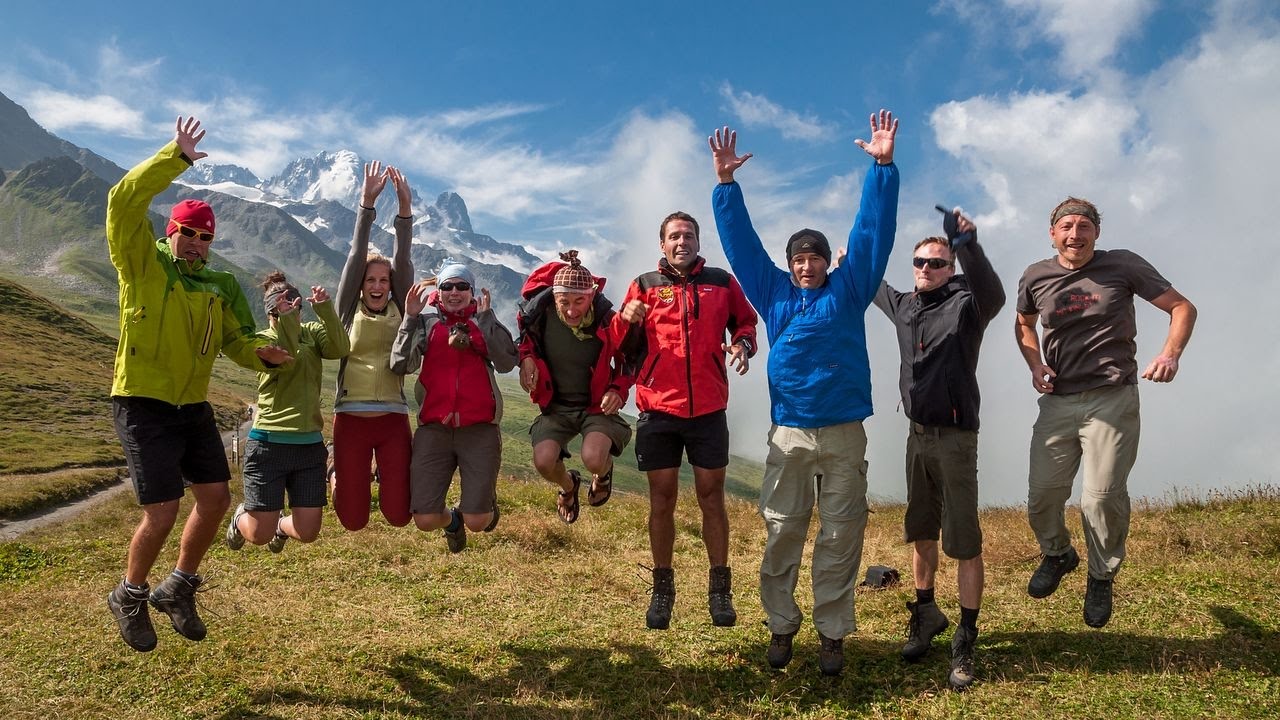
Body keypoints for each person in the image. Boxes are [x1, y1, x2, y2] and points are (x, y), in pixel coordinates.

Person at [709, 110, 900, 676]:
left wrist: (882, 169)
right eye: (799, 257)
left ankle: (833, 633)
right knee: (782, 529)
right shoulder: (772, 294)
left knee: (841, 535)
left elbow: (872, 234)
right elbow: (741, 246)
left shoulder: (851, 288)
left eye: (815, 256)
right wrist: (725, 186)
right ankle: (781, 625)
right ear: (789, 264)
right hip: (789, 430)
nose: (807, 264)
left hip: (843, 431)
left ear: (827, 260)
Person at [105, 117, 291, 652]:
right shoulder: (141, 263)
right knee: (161, 511)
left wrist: (261, 352)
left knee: (214, 499)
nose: (196, 243)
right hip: (141, 401)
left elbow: (235, 338)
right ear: (172, 231)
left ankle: (179, 586)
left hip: (192, 405)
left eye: (206, 236)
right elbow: (123, 200)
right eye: (189, 232)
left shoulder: (220, 281)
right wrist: (176, 156)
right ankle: (129, 594)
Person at [1015, 197, 1196, 628]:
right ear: (1052, 232)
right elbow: (1023, 323)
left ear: (1097, 232)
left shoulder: (1123, 265)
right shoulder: (1035, 276)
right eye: (1066, 226)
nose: (1075, 234)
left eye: (1084, 227)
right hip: (1058, 400)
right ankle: (1058, 554)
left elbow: (1182, 307)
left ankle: (1101, 576)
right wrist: (1035, 363)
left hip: (1111, 397)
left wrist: (1170, 354)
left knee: (1099, 498)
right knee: (1042, 496)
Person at [872, 209, 1004, 691]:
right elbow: (873, 286)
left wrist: (966, 241)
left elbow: (994, 292)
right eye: (920, 263)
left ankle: (966, 637)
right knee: (921, 529)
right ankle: (926, 613)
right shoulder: (906, 305)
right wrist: (849, 259)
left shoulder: (970, 303)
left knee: (963, 540)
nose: (926, 270)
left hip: (955, 438)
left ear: (951, 268)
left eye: (936, 263)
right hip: (917, 436)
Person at [619, 211, 758, 630]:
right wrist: (624, 320)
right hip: (658, 409)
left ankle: (720, 590)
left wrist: (743, 345)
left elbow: (746, 322)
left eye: (689, 235)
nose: (683, 242)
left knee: (711, 497)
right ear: (662, 244)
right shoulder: (644, 286)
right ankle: (663, 590)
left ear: (698, 241)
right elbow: (623, 346)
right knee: (661, 500)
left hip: (709, 409)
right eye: (675, 236)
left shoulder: (721, 281)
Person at [391, 262, 517, 552]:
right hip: (434, 429)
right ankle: (452, 521)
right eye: (447, 286)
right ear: (439, 291)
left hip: (480, 429)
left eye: (462, 286)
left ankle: (482, 506)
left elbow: (507, 362)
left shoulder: (484, 320)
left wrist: (485, 319)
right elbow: (400, 364)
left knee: (479, 521)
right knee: (424, 518)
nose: (454, 292)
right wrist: (410, 318)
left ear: (471, 292)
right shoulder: (427, 324)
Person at [226, 272, 350, 554]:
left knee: (308, 532)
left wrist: (325, 310)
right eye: (282, 307)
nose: (291, 310)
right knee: (258, 535)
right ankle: (240, 518)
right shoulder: (262, 342)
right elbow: (287, 357)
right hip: (269, 443)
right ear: (271, 312)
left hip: (308, 446)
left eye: (294, 304)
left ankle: (281, 527)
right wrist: (286, 323)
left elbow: (341, 347)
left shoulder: (313, 332)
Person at [516, 251, 638, 525]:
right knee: (544, 461)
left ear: (592, 295)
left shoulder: (607, 319)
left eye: (579, 300)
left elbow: (630, 357)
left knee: (594, 458)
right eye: (564, 302)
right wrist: (526, 359)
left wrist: (618, 389)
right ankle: (569, 485)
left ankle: (603, 473)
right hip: (556, 406)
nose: (571, 310)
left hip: (595, 406)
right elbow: (526, 342)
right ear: (555, 297)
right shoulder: (538, 315)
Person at [331, 161, 415, 531]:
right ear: (361, 284)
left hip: (394, 419)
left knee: (399, 516)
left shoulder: (400, 303)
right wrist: (366, 205)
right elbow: (355, 255)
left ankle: (378, 473)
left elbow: (403, 259)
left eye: (384, 280)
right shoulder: (347, 309)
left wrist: (404, 211)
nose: (378, 285)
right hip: (350, 418)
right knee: (353, 520)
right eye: (371, 280)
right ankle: (336, 471)